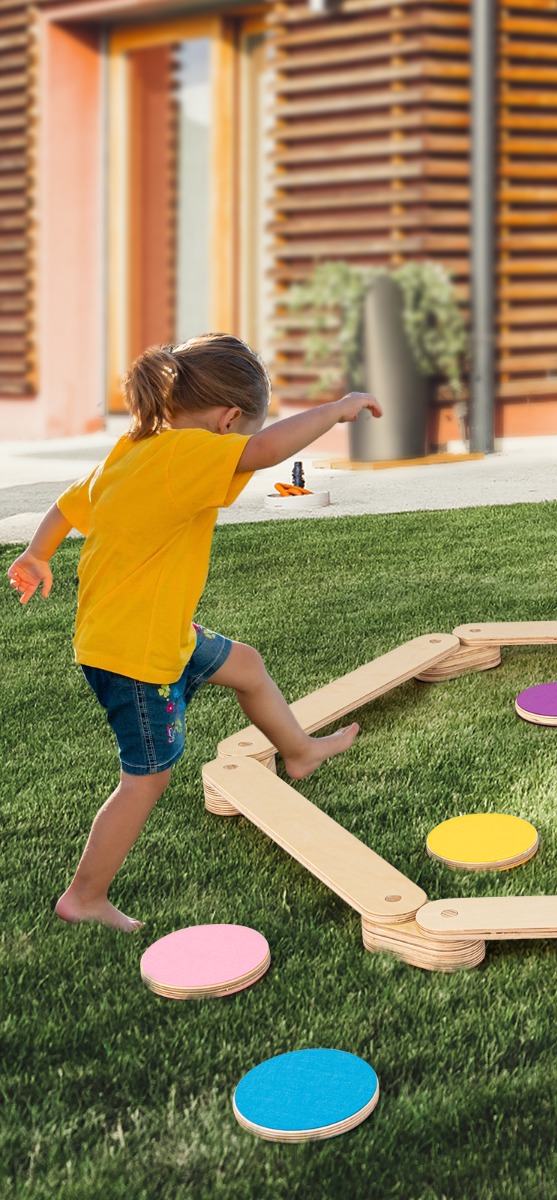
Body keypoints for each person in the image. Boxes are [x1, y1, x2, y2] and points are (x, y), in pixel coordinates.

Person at [6, 333, 382, 933]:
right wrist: (336, 411)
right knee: (146, 777)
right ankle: (84, 897)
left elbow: (70, 505)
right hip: (137, 655)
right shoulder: (188, 452)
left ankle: (300, 751)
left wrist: (37, 553)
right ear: (226, 419)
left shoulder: (134, 449)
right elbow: (263, 450)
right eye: (237, 431)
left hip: (153, 632)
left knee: (246, 665)